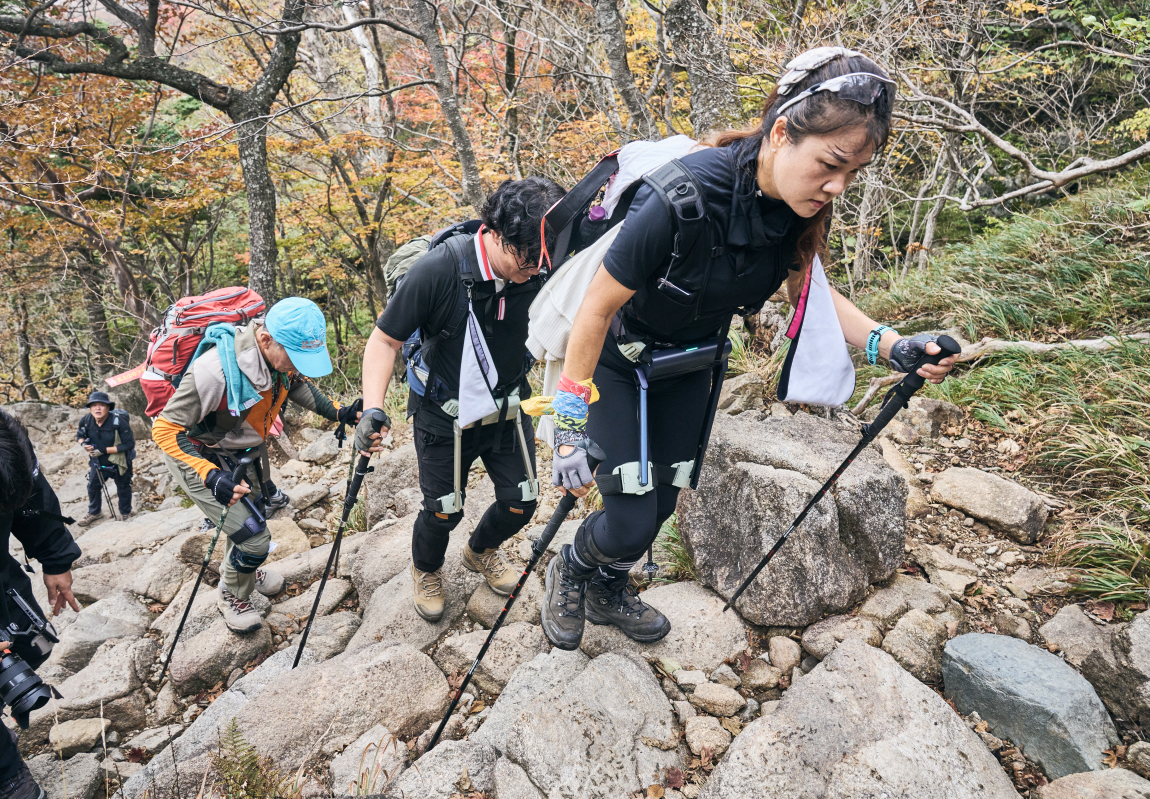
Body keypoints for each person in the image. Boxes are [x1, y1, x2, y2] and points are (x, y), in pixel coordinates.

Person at [540, 47, 960, 651]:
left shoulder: (798, 207)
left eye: (853, 173)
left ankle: (610, 586)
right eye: (831, 163)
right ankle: (575, 566)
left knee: (662, 502)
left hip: (692, 367)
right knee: (629, 513)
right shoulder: (678, 197)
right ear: (782, 132)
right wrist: (570, 420)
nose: (837, 186)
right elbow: (597, 307)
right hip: (619, 364)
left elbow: (809, 292)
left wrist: (892, 345)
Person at [354, 177, 566, 622]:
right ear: (496, 232)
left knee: (523, 499)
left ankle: (481, 550)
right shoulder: (439, 270)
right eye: (525, 261)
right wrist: (372, 407)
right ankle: (426, 569)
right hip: (442, 413)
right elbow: (384, 342)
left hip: (508, 407)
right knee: (443, 511)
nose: (535, 270)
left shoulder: (541, 260)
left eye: (541, 261)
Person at [151, 297, 358, 633]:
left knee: (256, 514)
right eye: (295, 358)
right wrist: (209, 474)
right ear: (265, 339)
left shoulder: (278, 364)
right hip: (197, 456)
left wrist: (341, 412)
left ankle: (244, 572)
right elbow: (164, 429)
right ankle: (233, 595)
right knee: (253, 537)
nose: (298, 367)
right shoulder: (214, 372)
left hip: (243, 448)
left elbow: (297, 385)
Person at [0, 397, 81, 799]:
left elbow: (33, 502)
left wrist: (55, 558)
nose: (0, 510)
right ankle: (5, 774)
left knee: (25, 646)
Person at [76, 390, 136, 524]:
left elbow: (129, 444)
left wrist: (103, 450)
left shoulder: (118, 421)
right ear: (90, 408)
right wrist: (84, 445)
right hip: (98, 462)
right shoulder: (86, 420)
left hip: (120, 462)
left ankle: (126, 513)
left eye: (101, 405)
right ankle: (94, 512)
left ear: (108, 407)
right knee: (93, 486)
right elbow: (79, 437)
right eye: (94, 405)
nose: (97, 408)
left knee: (123, 487)